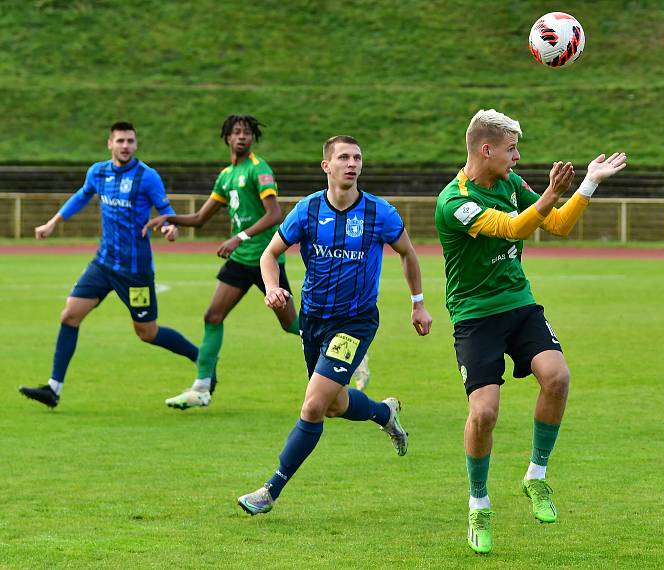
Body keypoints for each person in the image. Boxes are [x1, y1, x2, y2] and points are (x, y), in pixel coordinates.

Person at [435, 109, 627, 554]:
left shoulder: (510, 185)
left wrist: (588, 183)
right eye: (510, 149)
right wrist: (548, 195)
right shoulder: (454, 201)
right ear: (486, 150)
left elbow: (556, 224)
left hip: (518, 303)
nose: (518, 157)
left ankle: (536, 477)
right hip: (475, 316)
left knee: (557, 377)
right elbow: (511, 228)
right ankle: (479, 504)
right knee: (484, 414)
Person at [236, 135, 433, 516]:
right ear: (326, 166)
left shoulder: (380, 213)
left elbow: (408, 253)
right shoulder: (307, 210)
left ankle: (270, 490)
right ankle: (384, 414)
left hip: (355, 322)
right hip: (312, 321)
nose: (352, 163)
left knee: (312, 406)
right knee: (334, 404)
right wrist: (274, 288)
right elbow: (270, 254)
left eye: (357, 157)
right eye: (343, 157)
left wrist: (418, 305)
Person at [143, 115, 352, 409]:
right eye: (236, 132)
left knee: (293, 323)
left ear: (252, 138)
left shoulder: (259, 168)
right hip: (241, 260)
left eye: (247, 133)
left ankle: (344, 344)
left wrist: (238, 237)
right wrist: (169, 217)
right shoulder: (226, 175)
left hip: (265, 258)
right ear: (227, 138)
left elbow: (274, 214)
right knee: (213, 316)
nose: (242, 137)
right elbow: (201, 218)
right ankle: (201, 388)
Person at [19, 122, 200, 409]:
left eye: (130, 141)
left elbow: (166, 212)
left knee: (147, 333)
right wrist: (53, 222)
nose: (125, 145)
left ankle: (202, 360)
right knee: (69, 315)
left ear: (136, 145)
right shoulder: (98, 172)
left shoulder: (147, 177)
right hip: (103, 265)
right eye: (120, 141)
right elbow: (82, 196)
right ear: (110, 144)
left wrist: (170, 228)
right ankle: (53, 389)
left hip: (135, 271)